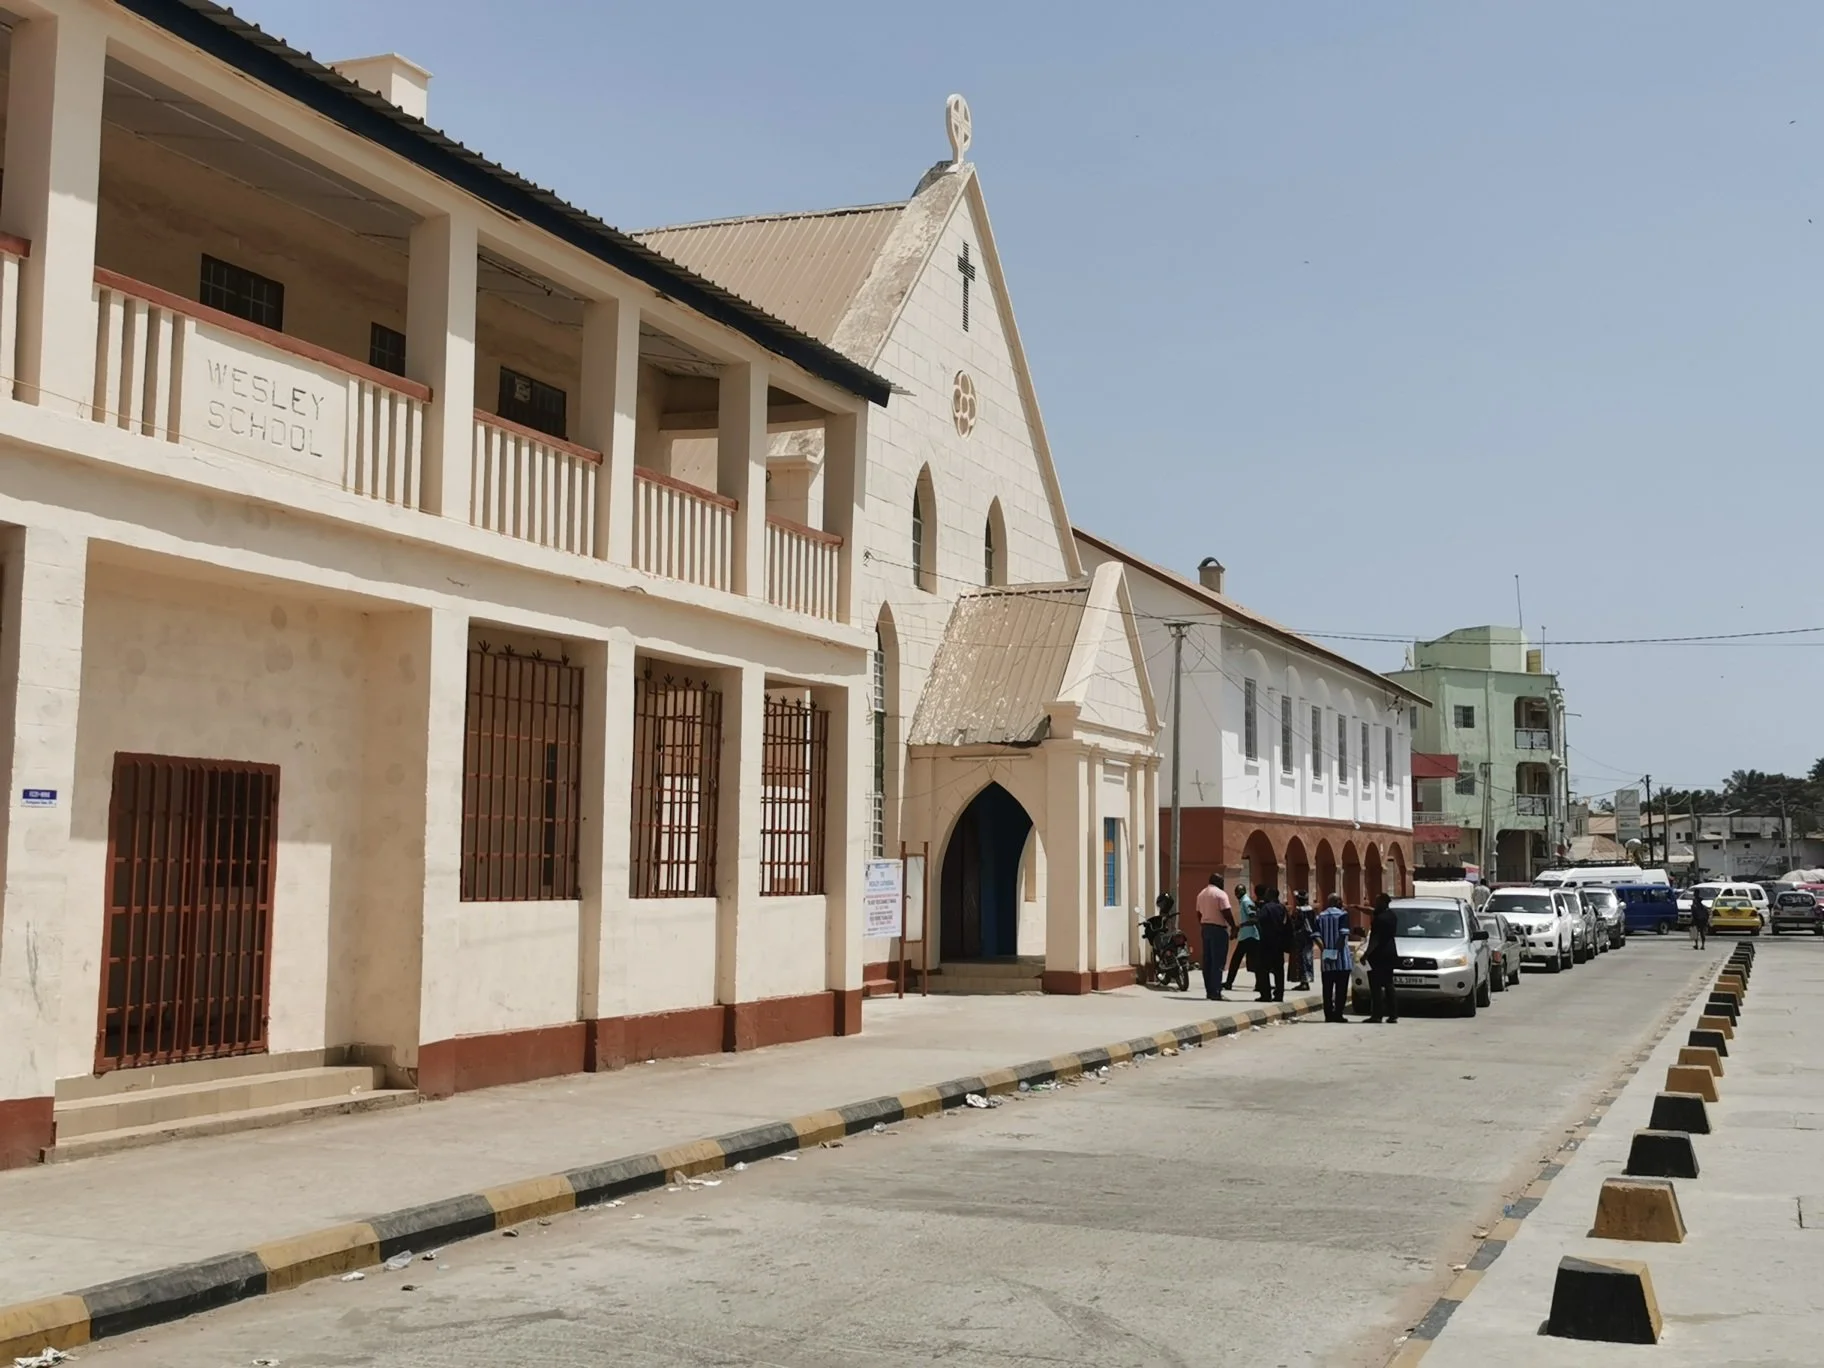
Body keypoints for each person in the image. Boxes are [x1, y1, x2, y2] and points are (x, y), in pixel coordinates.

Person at [1194, 874, 1237, 1001]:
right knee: (1218, 961)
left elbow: (1198, 913)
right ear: (1217, 881)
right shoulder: (1220, 894)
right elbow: (1226, 912)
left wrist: (1203, 924)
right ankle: (1216, 991)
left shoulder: (1201, 894)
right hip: (1218, 929)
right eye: (1221, 880)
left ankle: (1209, 990)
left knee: (1208, 961)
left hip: (1206, 928)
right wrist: (1233, 926)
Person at [1314, 893, 1354, 1022]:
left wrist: (1325, 950)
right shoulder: (1343, 915)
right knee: (1341, 989)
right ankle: (1338, 1014)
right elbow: (1343, 935)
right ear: (1337, 902)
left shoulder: (1320, 916)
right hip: (1342, 959)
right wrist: (1335, 952)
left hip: (1326, 960)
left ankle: (1328, 1015)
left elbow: (1316, 936)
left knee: (1327, 989)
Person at [1364, 891, 1399, 1024]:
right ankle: (1393, 1014)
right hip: (1390, 952)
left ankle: (1377, 1015)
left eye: (1377, 902)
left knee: (1376, 986)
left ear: (1383, 903)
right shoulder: (1391, 915)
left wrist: (1366, 954)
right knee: (1389, 984)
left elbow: (1375, 939)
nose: (1375, 904)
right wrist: (1357, 907)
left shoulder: (1380, 919)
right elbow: (1371, 911)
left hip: (1378, 955)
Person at [1255, 887, 1289, 1002]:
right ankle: (1279, 995)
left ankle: (1266, 995)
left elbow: (1260, 919)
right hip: (1279, 943)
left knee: (1263, 969)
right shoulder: (1282, 908)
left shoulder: (1266, 908)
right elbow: (1288, 925)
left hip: (1267, 943)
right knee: (1279, 970)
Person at [1225, 883, 1260, 992]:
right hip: (1245, 936)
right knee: (1245, 961)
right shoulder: (1243, 902)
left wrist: (1240, 926)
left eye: (1238, 892)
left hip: (1250, 936)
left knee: (1237, 960)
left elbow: (1254, 919)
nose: (1237, 895)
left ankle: (1229, 983)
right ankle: (1229, 983)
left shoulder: (1246, 902)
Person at [1291, 891, 1317, 990]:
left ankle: (1304, 982)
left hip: (1300, 937)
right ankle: (1307, 979)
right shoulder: (1311, 910)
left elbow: (1296, 923)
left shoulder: (1298, 911)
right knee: (1308, 958)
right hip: (1310, 937)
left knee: (1301, 958)